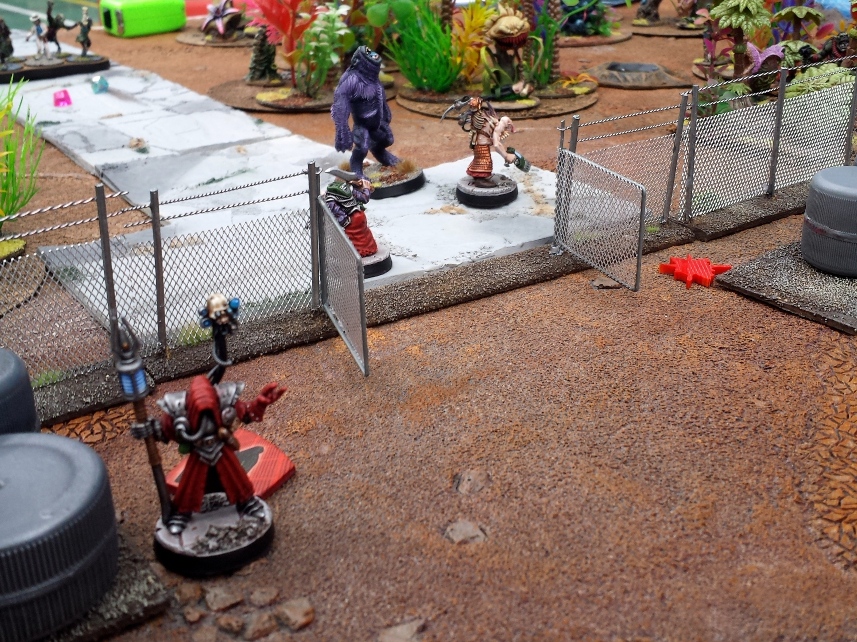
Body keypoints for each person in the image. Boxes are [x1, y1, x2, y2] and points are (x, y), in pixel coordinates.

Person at [323, 168, 379, 257]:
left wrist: (343, 221)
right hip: (359, 215)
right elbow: (364, 198)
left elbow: (336, 211)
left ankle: (356, 253)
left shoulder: (332, 195)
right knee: (363, 234)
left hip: (350, 220)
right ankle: (369, 249)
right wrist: (366, 189)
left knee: (353, 238)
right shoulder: (350, 189)